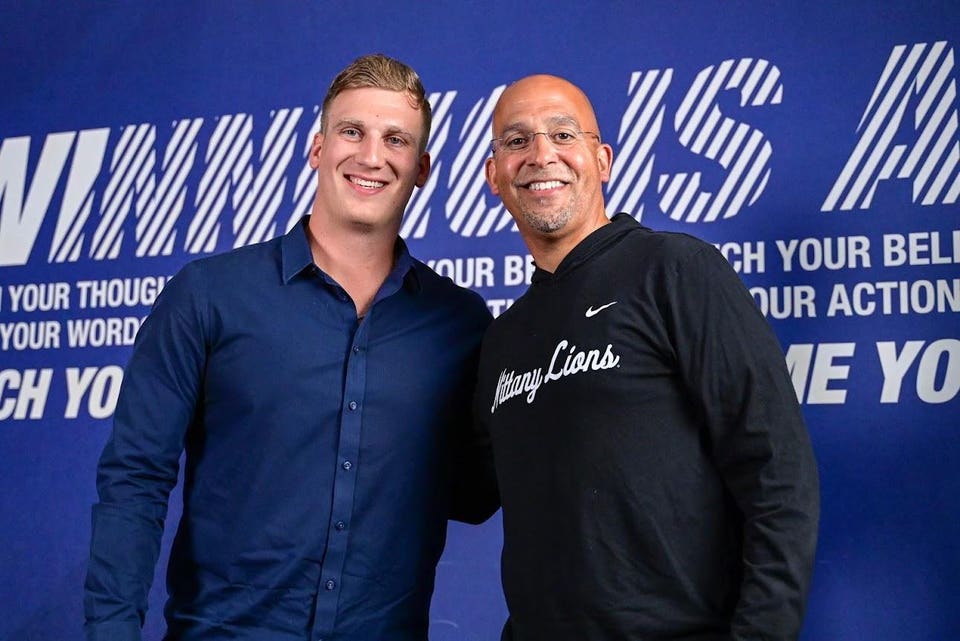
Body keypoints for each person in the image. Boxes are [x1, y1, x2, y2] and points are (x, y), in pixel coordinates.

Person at [84, 54, 496, 641]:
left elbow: (474, 495)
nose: (371, 155)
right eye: (351, 131)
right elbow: (135, 477)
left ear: (422, 167)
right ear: (317, 148)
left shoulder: (459, 324)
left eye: (395, 139)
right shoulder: (208, 295)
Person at [476, 74, 820, 641]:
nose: (541, 154)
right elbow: (465, 491)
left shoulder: (676, 270)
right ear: (493, 175)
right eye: (516, 141)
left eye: (563, 134)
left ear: (602, 159)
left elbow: (778, 473)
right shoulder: (503, 339)